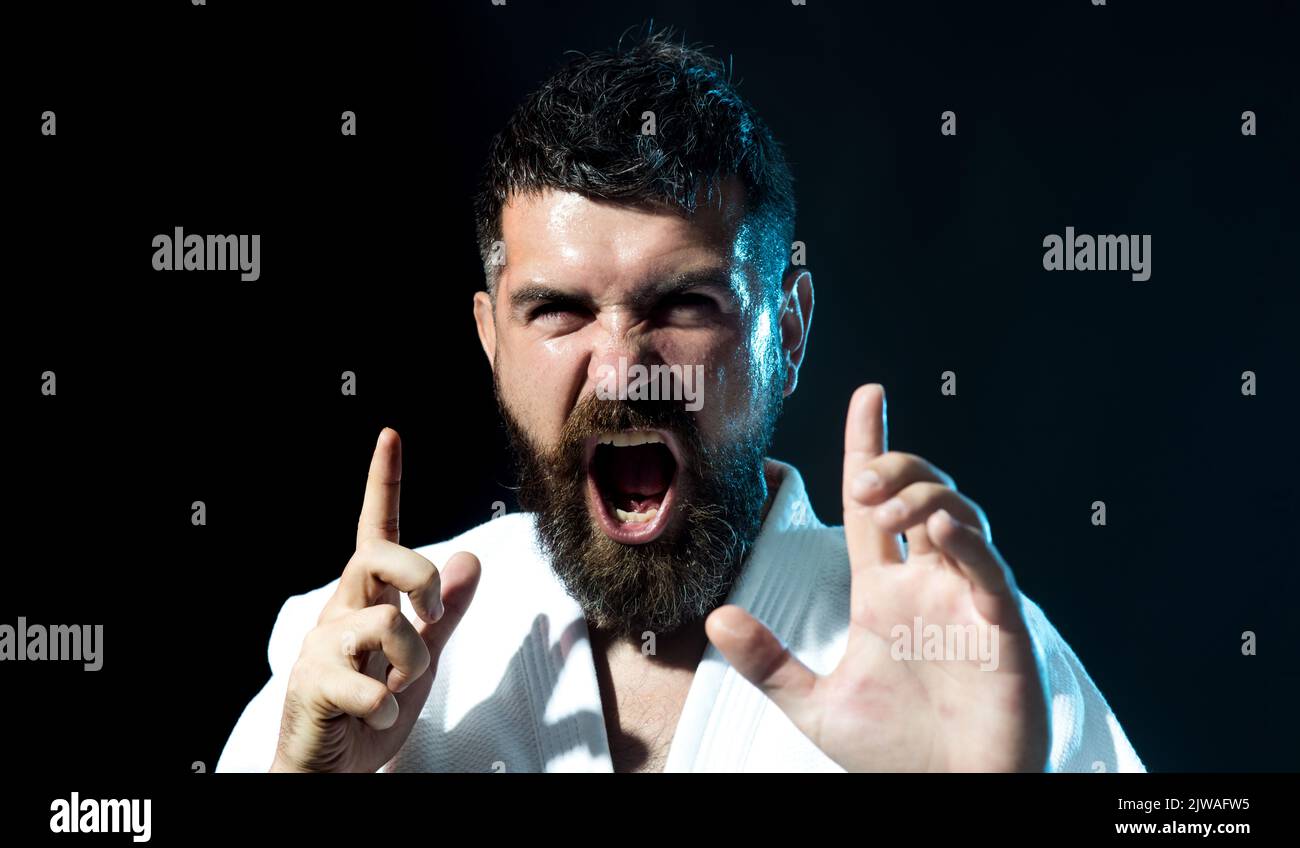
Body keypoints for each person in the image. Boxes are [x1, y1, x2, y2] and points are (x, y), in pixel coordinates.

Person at [217, 30, 1143, 773]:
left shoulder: (955, 656)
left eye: (684, 305)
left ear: (790, 330)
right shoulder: (352, 662)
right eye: (559, 311)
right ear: (490, 340)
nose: (623, 371)